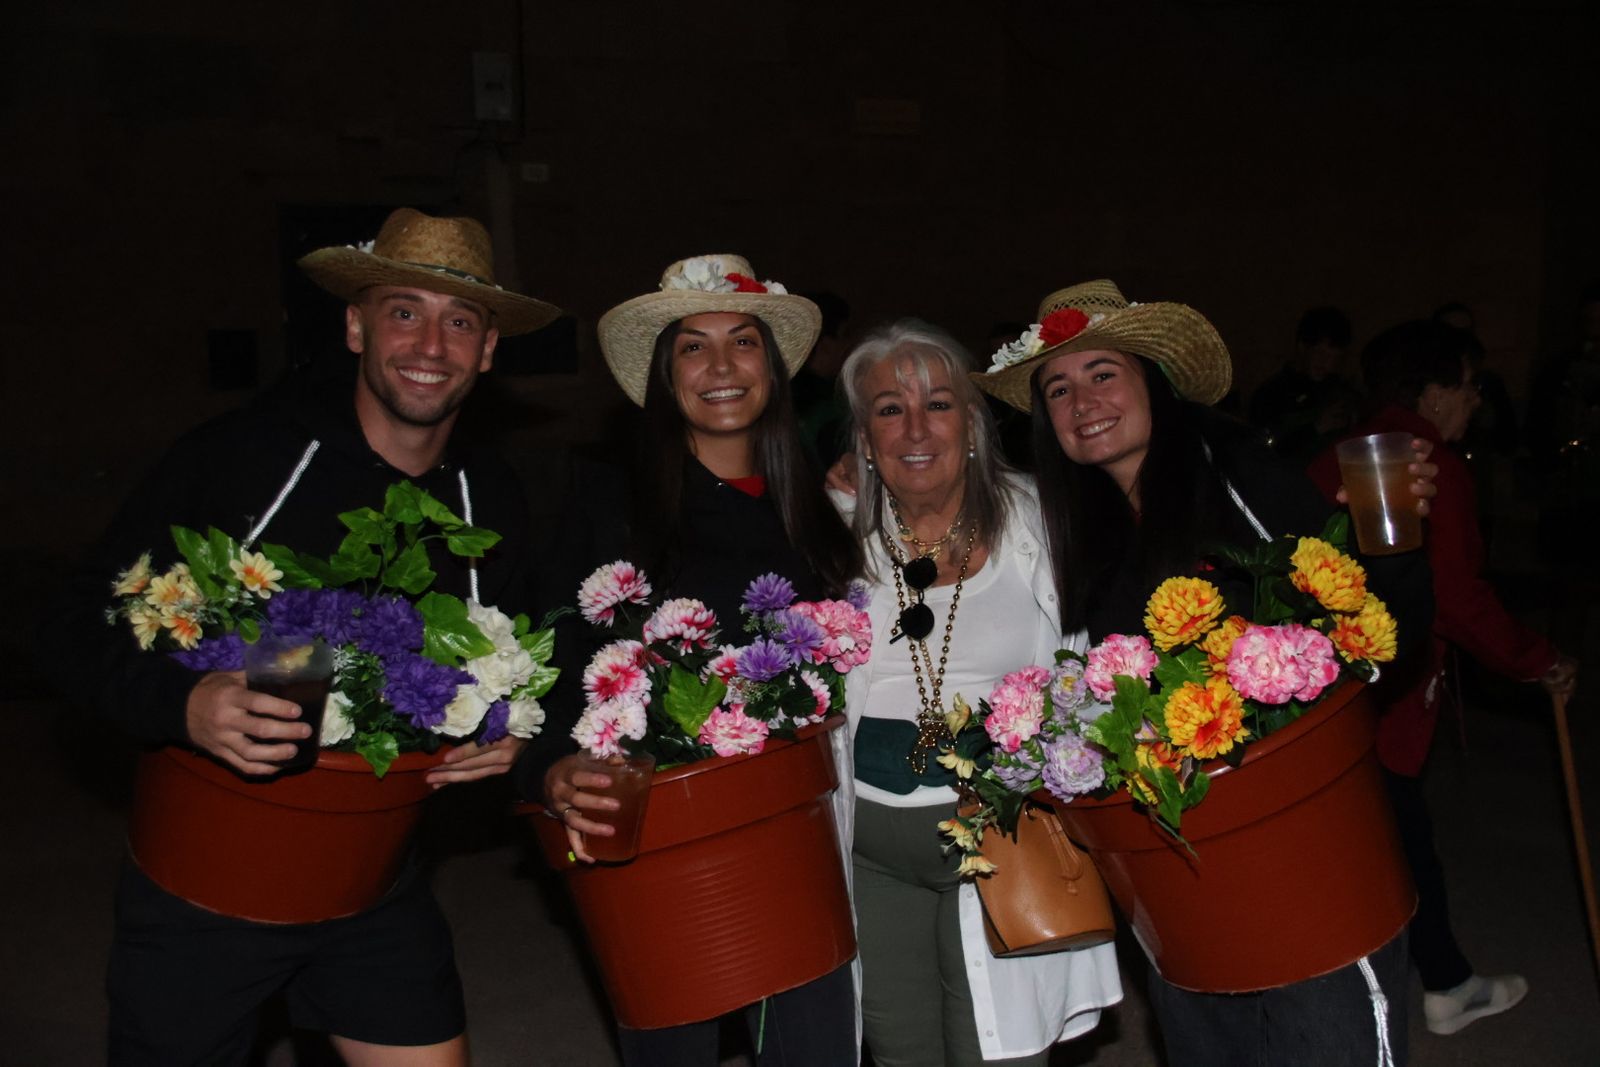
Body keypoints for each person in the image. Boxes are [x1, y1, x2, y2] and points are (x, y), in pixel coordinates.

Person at [50, 207, 559, 1064]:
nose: (431, 344)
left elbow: (514, 661)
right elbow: (67, 620)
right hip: (206, 875)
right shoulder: (247, 457)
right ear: (356, 325)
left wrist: (502, 735)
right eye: (404, 311)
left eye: (460, 321)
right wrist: (183, 701)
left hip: (373, 873)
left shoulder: (489, 498)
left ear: (489, 350)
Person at [973, 279, 1436, 1067]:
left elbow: (1371, 632)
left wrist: (1398, 538)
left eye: (1102, 374)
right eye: (1058, 388)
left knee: (1330, 1041)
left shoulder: (1239, 476)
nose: (1081, 400)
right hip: (1178, 872)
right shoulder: (1072, 528)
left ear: (1153, 378)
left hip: (1300, 849)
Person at [518, 253, 862, 1066]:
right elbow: (547, 653)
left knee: (812, 1045)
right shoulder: (609, 504)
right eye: (692, 347)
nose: (720, 367)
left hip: (788, 829)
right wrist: (546, 768)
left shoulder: (814, 505)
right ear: (665, 377)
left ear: (774, 371)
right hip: (657, 839)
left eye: (743, 342)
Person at [835, 320, 1121, 1065]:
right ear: (864, 439)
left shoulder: (1046, 520)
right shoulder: (832, 541)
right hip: (870, 851)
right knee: (897, 1049)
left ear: (972, 425)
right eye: (889, 409)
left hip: (1002, 843)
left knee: (999, 1051)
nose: (916, 427)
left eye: (940, 403)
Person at [1308, 319, 1578, 1037]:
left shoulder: (1339, 454)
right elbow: (1455, 597)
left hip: (1319, 691)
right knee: (1399, 843)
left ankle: (1439, 980)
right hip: (1381, 693)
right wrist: (1538, 657)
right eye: (1469, 385)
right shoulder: (1426, 463)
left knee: (1381, 840)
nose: (1476, 402)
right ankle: (1443, 988)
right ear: (1433, 391)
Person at [1248, 305, 1363, 465]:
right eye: (1321, 354)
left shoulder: (1338, 390)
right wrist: (1316, 428)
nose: (1327, 365)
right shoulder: (1270, 394)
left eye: (1335, 358)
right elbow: (1260, 454)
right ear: (1302, 347)